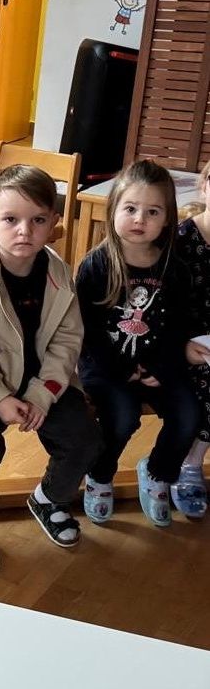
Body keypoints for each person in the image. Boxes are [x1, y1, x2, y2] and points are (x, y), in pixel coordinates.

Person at [0, 164, 102, 572]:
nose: (24, 231)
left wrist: (40, 394)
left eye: (37, 221)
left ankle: (49, 498)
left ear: (53, 222)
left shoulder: (58, 274)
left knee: (85, 436)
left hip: (42, 380)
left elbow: (68, 341)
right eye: (10, 220)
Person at [77, 159, 199, 527]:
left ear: (167, 218)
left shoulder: (173, 267)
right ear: (114, 208)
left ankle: (158, 471)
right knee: (122, 417)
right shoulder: (97, 265)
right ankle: (99, 475)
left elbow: (178, 324)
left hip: (159, 365)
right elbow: (87, 330)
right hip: (107, 368)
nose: (139, 219)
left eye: (152, 211)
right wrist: (126, 371)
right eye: (130, 208)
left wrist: (160, 369)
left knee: (189, 415)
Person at [170, 159, 210, 518]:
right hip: (179, 342)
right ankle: (186, 463)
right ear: (205, 186)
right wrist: (179, 346)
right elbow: (159, 306)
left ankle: (192, 458)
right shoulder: (182, 239)